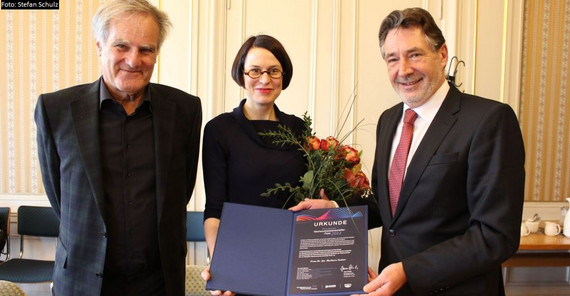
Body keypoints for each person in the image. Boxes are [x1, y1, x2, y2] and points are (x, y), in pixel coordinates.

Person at [351, 7, 525, 296]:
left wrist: (409, 271)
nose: (403, 69)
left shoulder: (489, 119)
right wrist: (333, 211)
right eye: (393, 59)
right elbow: (388, 208)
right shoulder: (388, 120)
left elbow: (495, 236)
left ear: (442, 54)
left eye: (415, 54)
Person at [34, 0, 202, 295]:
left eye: (146, 49)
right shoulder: (55, 109)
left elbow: (182, 189)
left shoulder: (185, 110)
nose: (134, 60)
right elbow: (59, 194)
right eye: (121, 46)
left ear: (156, 53)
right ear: (100, 46)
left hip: (159, 283)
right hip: (83, 280)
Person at [200, 34, 306, 296]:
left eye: (274, 71)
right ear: (242, 74)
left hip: (293, 264)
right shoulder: (219, 130)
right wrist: (221, 266)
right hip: (241, 264)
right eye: (255, 71)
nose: (265, 80)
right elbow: (214, 209)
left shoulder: (299, 128)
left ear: (284, 75)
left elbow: (309, 197)